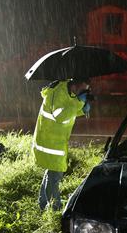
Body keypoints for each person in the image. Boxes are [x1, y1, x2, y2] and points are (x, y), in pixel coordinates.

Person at [32, 78, 91, 210]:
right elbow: (60, 115)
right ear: (75, 86)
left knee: (52, 172)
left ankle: (43, 203)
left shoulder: (68, 92)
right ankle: (55, 207)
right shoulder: (57, 93)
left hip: (56, 141)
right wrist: (78, 102)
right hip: (49, 142)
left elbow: (69, 110)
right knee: (55, 175)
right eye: (82, 90)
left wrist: (82, 109)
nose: (83, 93)